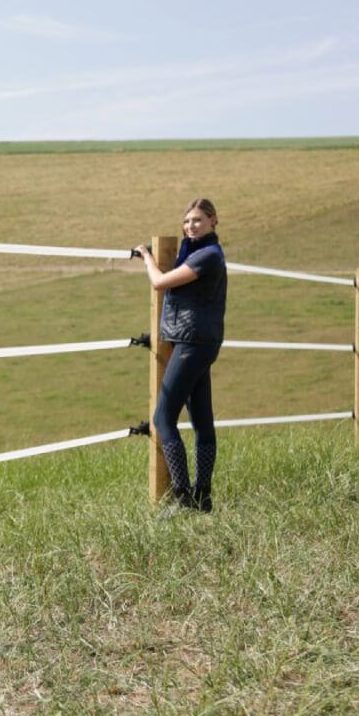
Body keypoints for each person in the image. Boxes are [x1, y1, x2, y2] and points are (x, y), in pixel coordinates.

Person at [133, 198, 227, 514]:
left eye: (197, 220)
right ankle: (203, 498)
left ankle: (183, 497)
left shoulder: (208, 256)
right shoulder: (198, 254)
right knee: (201, 419)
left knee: (163, 418)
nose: (191, 226)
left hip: (191, 344)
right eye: (187, 221)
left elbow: (159, 282)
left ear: (213, 220)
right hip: (200, 342)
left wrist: (147, 256)